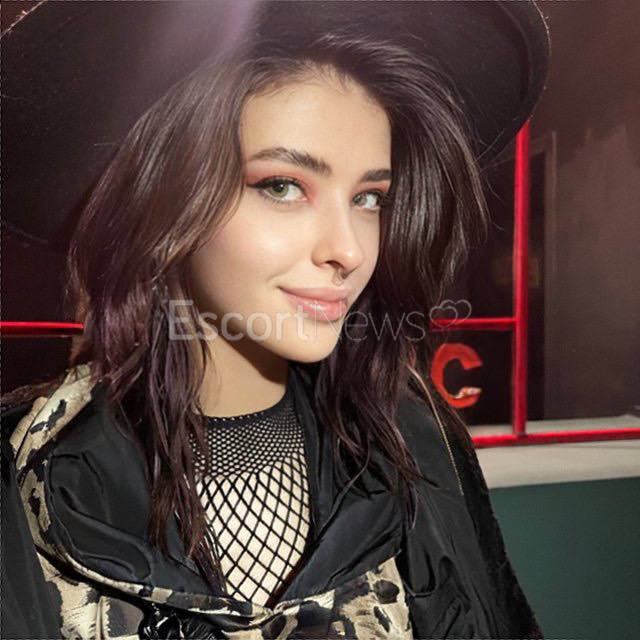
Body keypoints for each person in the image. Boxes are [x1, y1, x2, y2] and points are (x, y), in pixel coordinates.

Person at [1, 1, 550, 638]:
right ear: (162, 199)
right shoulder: (27, 476)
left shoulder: (415, 444)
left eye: (369, 198)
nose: (348, 250)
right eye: (283, 186)